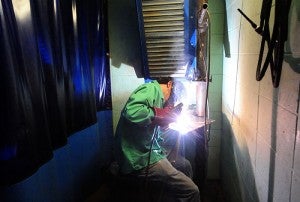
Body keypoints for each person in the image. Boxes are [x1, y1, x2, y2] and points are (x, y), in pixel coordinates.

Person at [113, 77, 200, 202]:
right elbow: (132, 111)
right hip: (137, 158)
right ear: (169, 84)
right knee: (192, 190)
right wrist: (160, 115)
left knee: (185, 165)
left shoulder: (158, 100)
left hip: (148, 150)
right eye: (173, 97)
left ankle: (175, 195)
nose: (171, 102)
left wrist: (164, 122)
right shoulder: (151, 89)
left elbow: (150, 126)